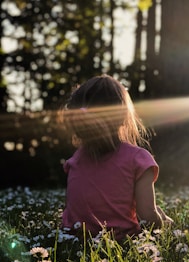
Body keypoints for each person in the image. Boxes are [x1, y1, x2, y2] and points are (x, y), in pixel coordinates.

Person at [61, 74, 173, 242]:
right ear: (122, 116)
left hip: (75, 240)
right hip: (121, 242)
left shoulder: (75, 161)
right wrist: (165, 224)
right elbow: (147, 219)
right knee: (160, 215)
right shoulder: (138, 159)